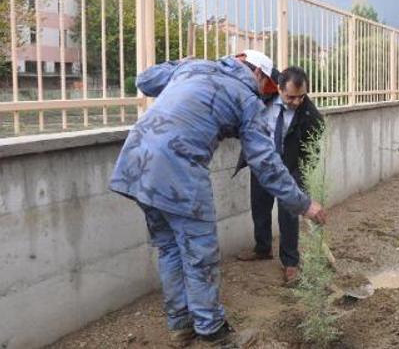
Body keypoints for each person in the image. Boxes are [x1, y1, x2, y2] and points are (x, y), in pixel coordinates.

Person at [109, 50, 326, 344]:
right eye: (267, 87)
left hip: (136, 164)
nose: (265, 94)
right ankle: (212, 333)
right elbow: (266, 163)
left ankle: (181, 325)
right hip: (178, 170)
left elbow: (145, 81)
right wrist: (304, 204)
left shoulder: (194, 68)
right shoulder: (246, 97)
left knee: (170, 249)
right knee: (200, 254)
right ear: (258, 73)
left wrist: (180, 63)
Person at [236, 66, 323, 285]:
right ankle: (263, 248)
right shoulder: (264, 97)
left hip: (290, 167)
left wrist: (302, 177)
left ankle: (291, 263)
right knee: (260, 206)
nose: (296, 101)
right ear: (279, 88)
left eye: (301, 96)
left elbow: (312, 148)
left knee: (288, 215)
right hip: (264, 163)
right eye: (291, 96)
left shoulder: (309, 115)